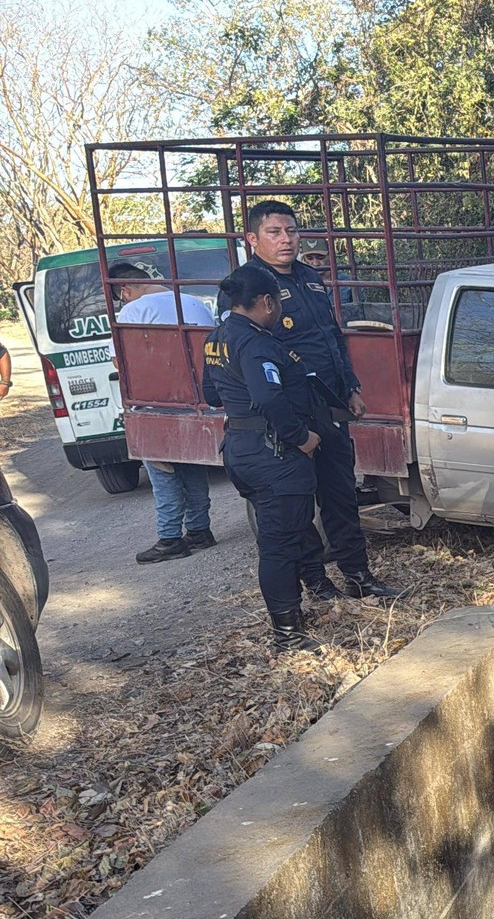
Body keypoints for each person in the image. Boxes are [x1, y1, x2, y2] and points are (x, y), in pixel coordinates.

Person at [237, 200, 400, 600]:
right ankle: (316, 581)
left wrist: (350, 386)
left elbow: (331, 337)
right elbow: (251, 351)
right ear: (253, 239)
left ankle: (358, 575)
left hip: (328, 403)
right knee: (298, 502)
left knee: (340, 492)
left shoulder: (310, 277)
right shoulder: (249, 286)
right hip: (290, 411)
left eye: (291, 231)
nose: (286, 240)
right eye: (274, 232)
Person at [202, 266, 321, 650]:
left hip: (241, 447)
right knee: (279, 545)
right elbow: (269, 397)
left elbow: (211, 394)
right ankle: (287, 635)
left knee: (289, 531)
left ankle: (305, 603)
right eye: (277, 303)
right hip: (273, 455)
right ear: (267, 302)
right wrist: (301, 438)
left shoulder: (217, 337)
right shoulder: (257, 343)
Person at [108, 262, 219, 564]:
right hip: (198, 400)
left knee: (163, 472)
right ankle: (199, 530)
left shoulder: (132, 311)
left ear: (126, 290)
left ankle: (169, 537)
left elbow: (122, 362)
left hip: (156, 401)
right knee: (193, 464)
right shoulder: (194, 302)